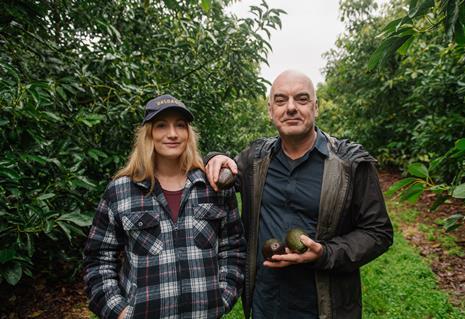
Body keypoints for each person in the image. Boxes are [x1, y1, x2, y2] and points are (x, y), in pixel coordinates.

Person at [205, 70, 394, 319]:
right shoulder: (254, 159)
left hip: (326, 307)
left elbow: (378, 232)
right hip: (266, 304)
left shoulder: (350, 163)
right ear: (270, 109)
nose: (291, 108)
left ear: (316, 107)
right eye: (281, 100)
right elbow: (223, 172)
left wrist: (325, 253)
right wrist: (214, 157)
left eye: (302, 99)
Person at [84, 94, 246, 319]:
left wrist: (222, 298)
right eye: (161, 126)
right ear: (148, 134)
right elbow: (98, 259)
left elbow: (234, 249)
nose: (172, 134)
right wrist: (119, 312)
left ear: (189, 134)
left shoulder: (214, 186)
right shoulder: (121, 190)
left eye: (180, 125)